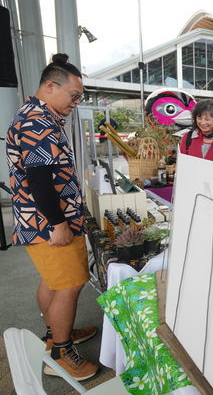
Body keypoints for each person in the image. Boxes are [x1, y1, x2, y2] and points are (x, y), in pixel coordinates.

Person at [5, 53, 99, 380]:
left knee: (54, 281)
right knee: (70, 284)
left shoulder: (41, 116)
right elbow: (39, 179)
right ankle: (60, 353)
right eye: (74, 96)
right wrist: (58, 224)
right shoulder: (36, 121)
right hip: (50, 223)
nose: (76, 102)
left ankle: (54, 334)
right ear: (50, 86)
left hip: (48, 220)